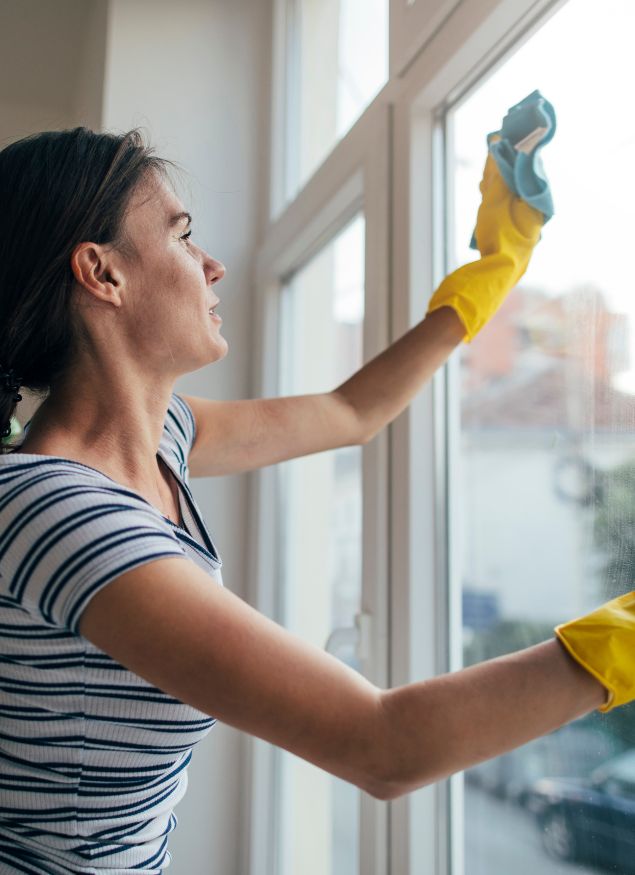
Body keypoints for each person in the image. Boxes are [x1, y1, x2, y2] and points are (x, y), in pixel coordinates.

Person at [0, 127, 632, 874]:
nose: (212, 265)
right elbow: (386, 743)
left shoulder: (163, 434)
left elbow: (350, 411)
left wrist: (496, 266)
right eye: (182, 235)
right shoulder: (56, 511)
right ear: (101, 273)